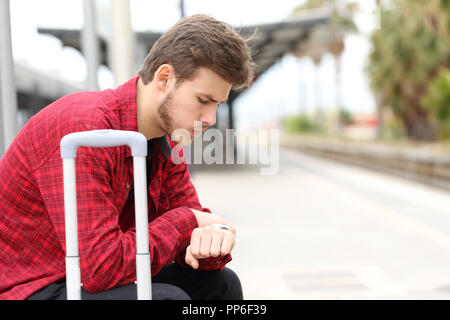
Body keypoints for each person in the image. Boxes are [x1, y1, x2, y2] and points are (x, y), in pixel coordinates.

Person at [0, 14, 255, 300]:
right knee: (167, 299)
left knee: (222, 285)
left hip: (83, 279)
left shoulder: (167, 143)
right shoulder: (86, 129)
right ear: (164, 78)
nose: (210, 118)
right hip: (33, 286)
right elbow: (101, 268)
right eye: (203, 101)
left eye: (218, 105)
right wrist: (189, 223)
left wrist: (214, 237)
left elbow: (193, 232)